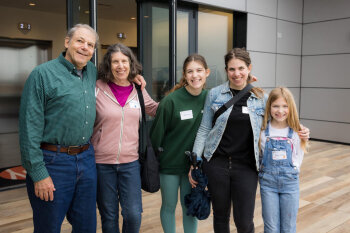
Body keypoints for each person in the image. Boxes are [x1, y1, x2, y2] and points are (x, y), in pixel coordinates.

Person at [190, 48, 310, 233]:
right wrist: (195, 161)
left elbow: (281, 116)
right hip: (216, 164)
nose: (236, 73)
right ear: (226, 70)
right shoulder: (214, 94)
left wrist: (300, 128)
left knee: (244, 221)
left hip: (246, 166)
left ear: (249, 68)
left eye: (241, 68)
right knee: (220, 217)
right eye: (231, 69)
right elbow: (205, 129)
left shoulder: (262, 98)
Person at [19, 24, 99, 233]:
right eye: (80, 41)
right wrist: (38, 173)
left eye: (90, 45)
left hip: (86, 159)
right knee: (49, 227)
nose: (85, 47)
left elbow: (119, 75)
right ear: (67, 42)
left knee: (87, 227)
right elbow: (29, 129)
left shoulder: (92, 72)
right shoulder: (42, 75)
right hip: (53, 163)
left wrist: (135, 78)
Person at [91, 43, 158, 233]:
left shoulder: (138, 89)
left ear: (131, 63)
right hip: (101, 163)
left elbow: (154, 108)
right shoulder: (97, 87)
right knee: (109, 215)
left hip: (131, 163)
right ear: (109, 64)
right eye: (115, 61)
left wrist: (180, 102)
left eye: (124, 61)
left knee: (133, 214)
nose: (120, 66)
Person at [150, 54, 210, 233]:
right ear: (184, 75)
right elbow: (156, 136)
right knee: (169, 206)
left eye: (199, 70)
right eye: (190, 71)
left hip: (193, 167)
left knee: (189, 207)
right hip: (169, 164)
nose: (195, 75)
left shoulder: (211, 98)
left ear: (207, 73)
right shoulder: (170, 101)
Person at [259, 87, 308, 233]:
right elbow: (260, 156)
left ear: (290, 107)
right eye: (275, 106)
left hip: (290, 184)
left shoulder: (297, 132)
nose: (280, 111)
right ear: (269, 107)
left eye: (285, 106)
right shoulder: (262, 131)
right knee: (271, 228)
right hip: (268, 184)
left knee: (288, 227)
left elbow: (298, 158)